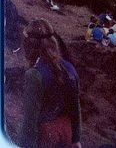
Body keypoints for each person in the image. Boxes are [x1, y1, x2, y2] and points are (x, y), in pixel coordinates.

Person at [19, 19, 81, 148]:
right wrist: (75, 138)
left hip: (46, 135)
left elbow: (30, 120)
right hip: (67, 130)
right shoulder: (69, 68)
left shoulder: (34, 74)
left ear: (29, 44)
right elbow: (75, 108)